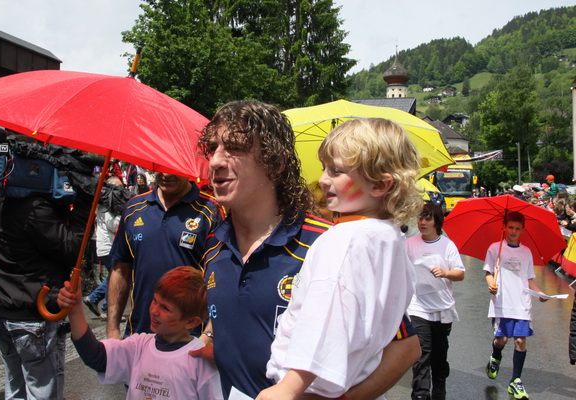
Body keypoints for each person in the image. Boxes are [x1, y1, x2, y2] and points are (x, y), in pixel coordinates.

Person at [196, 100, 421, 399]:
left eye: (234, 148)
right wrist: (209, 339)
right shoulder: (215, 243)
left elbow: (405, 347)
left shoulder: (331, 243)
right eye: (212, 148)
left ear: (276, 163)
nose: (215, 161)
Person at [257, 117, 423, 400]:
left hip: (309, 389)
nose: (323, 179)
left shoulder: (346, 238)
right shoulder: (388, 238)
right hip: (352, 383)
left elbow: (325, 317)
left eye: (336, 171)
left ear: (380, 185)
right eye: (325, 168)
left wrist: (288, 388)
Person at [0, 132, 92, 399]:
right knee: (42, 391)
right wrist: (84, 204)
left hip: (1, 311)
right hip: (32, 314)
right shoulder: (33, 209)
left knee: (15, 388)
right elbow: (72, 249)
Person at [58, 266, 223, 399]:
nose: (154, 311)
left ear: (191, 322)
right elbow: (95, 356)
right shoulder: (139, 345)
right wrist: (75, 309)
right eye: (155, 301)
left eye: (165, 308)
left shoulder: (200, 359)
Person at [106, 172, 223, 339]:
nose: (166, 174)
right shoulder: (133, 208)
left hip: (190, 338)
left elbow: (222, 277)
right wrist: (112, 329)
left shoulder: (211, 210)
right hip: (139, 335)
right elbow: (120, 269)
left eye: (173, 168)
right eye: (161, 168)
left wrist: (208, 334)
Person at [483, 211, 548, 400]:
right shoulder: (495, 249)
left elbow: (529, 279)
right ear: (504, 227)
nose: (513, 231)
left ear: (522, 230)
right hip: (502, 303)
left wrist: (540, 293)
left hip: (522, 303)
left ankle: (515, 380)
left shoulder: (526, 252)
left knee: (520, 341)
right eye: (510, 227)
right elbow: (488, 272)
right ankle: (496, 355)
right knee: (501, 340)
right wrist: (491, 285)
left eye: (517, 229)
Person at [404, 203, 465, 400]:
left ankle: (439, 384)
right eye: (420, 218)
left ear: (437, 222)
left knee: (439, 355)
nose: (422, 222)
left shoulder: (447, 245)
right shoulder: (409, 244)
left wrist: (446, 273)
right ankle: (420, 395)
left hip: (442, 308)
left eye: (427, 219)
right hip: (418, 307)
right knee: (421, 354)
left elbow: (460, 273)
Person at [83, 175, 124, 319]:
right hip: (108, 247)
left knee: (114, 276)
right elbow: (113, 225)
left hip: (108, 246)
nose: (121, 190)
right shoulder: (107, 205)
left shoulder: (110, 203)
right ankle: (105, 308)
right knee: (116, 277)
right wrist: (124, 217)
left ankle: (94, 299)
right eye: (118, 187)